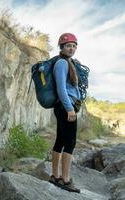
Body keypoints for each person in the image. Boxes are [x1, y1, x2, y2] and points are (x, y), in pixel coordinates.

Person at [49, 33, 81, 193]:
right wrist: (70, 109)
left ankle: (54, 176)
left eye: (74, 46)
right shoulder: (62, 63)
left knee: (60, 140)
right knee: (70, 142)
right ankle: (66, 180)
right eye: (69, 45)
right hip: (65, 107)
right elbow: (61, 88)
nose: (72, 48)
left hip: (62, 107)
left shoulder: (67, 62)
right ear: (62, 47)